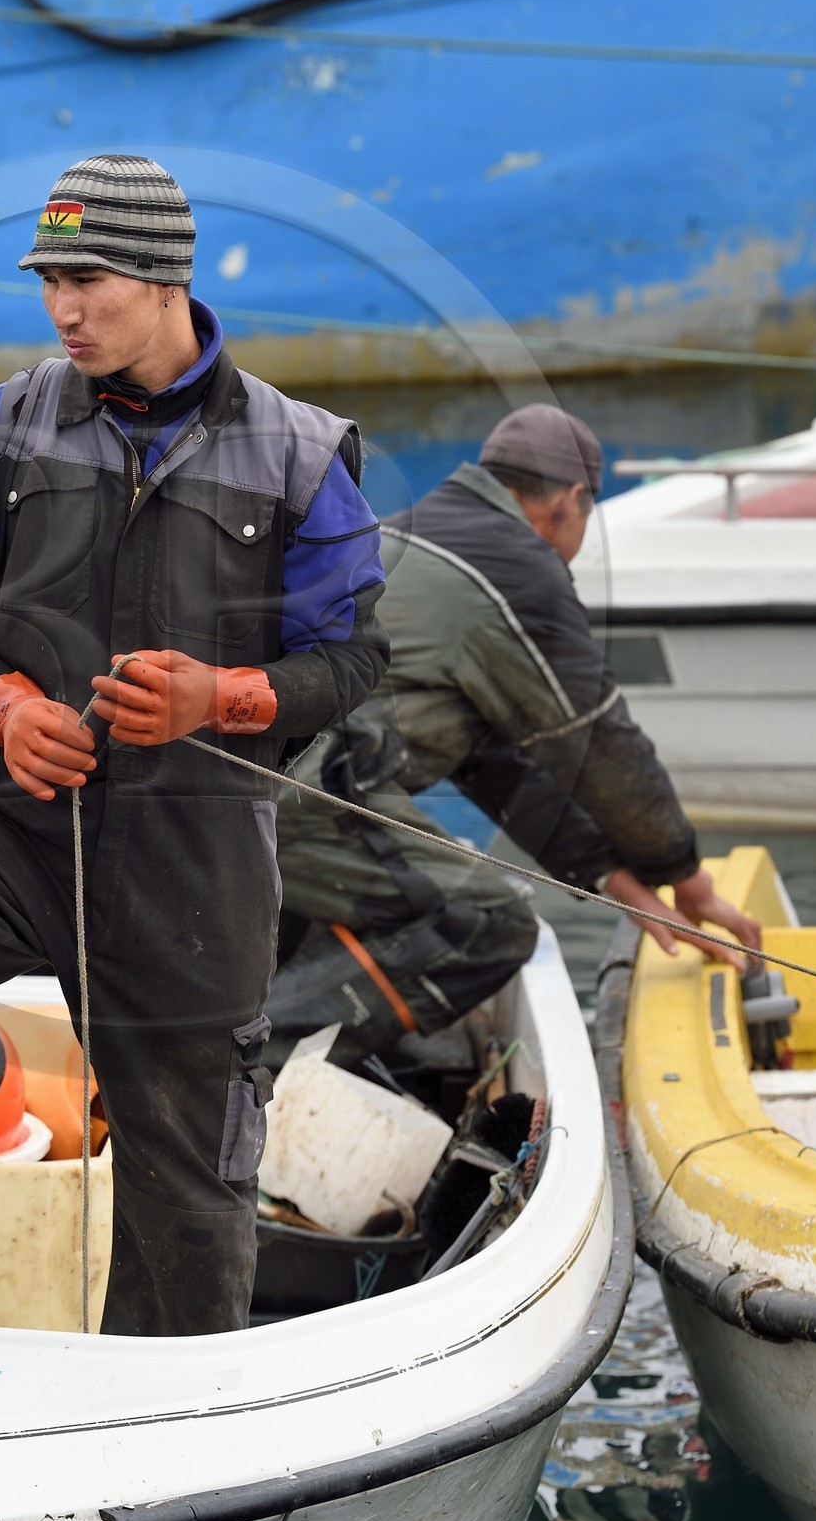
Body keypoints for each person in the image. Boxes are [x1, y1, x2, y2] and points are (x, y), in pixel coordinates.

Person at [0, 154, 388, 1346]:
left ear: (165, 277)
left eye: (88, 279)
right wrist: (3, 705)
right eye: (49, 280)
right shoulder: (4, 428)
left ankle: (169, 1411)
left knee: (188, 1191)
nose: (64, 307)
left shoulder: (302, 456)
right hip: (14, 818)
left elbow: (354, 664)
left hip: (192, 851)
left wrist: (227, 695)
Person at [270, 403, 760, 1069]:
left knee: (391, 914)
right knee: (489, 923)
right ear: (571, 500)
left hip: (269, 789)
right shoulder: (521, 570)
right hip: (312, 796)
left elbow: (491, 761)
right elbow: (599, 744)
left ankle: (248, 1060)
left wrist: (608, 872)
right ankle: (240, 1068)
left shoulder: (411, 533)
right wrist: (683, 873)